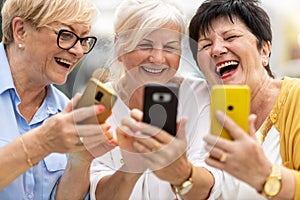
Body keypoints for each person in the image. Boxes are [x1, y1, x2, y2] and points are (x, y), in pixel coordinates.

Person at [90, 0, 214, 199]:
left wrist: (181, 170)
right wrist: (132, 168)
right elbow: (97, 193)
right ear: (119, 47)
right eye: (145, 45)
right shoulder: (96, 102)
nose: (157, 58)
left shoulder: (201, 95)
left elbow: (211, 187)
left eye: (170, 47)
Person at [0, 0, 115, 199]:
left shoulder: (65, 111)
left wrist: (81, 160)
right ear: (20, 31)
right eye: (67, 35)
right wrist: (42, 142)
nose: (78, 51)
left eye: (84, 40)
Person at [188, 0, 300, 199]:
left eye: (230, 36)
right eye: (205, 45)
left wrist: (264, 175)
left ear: (264, 51)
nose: (216, 50)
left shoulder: (296, 99)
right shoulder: (198, 111)